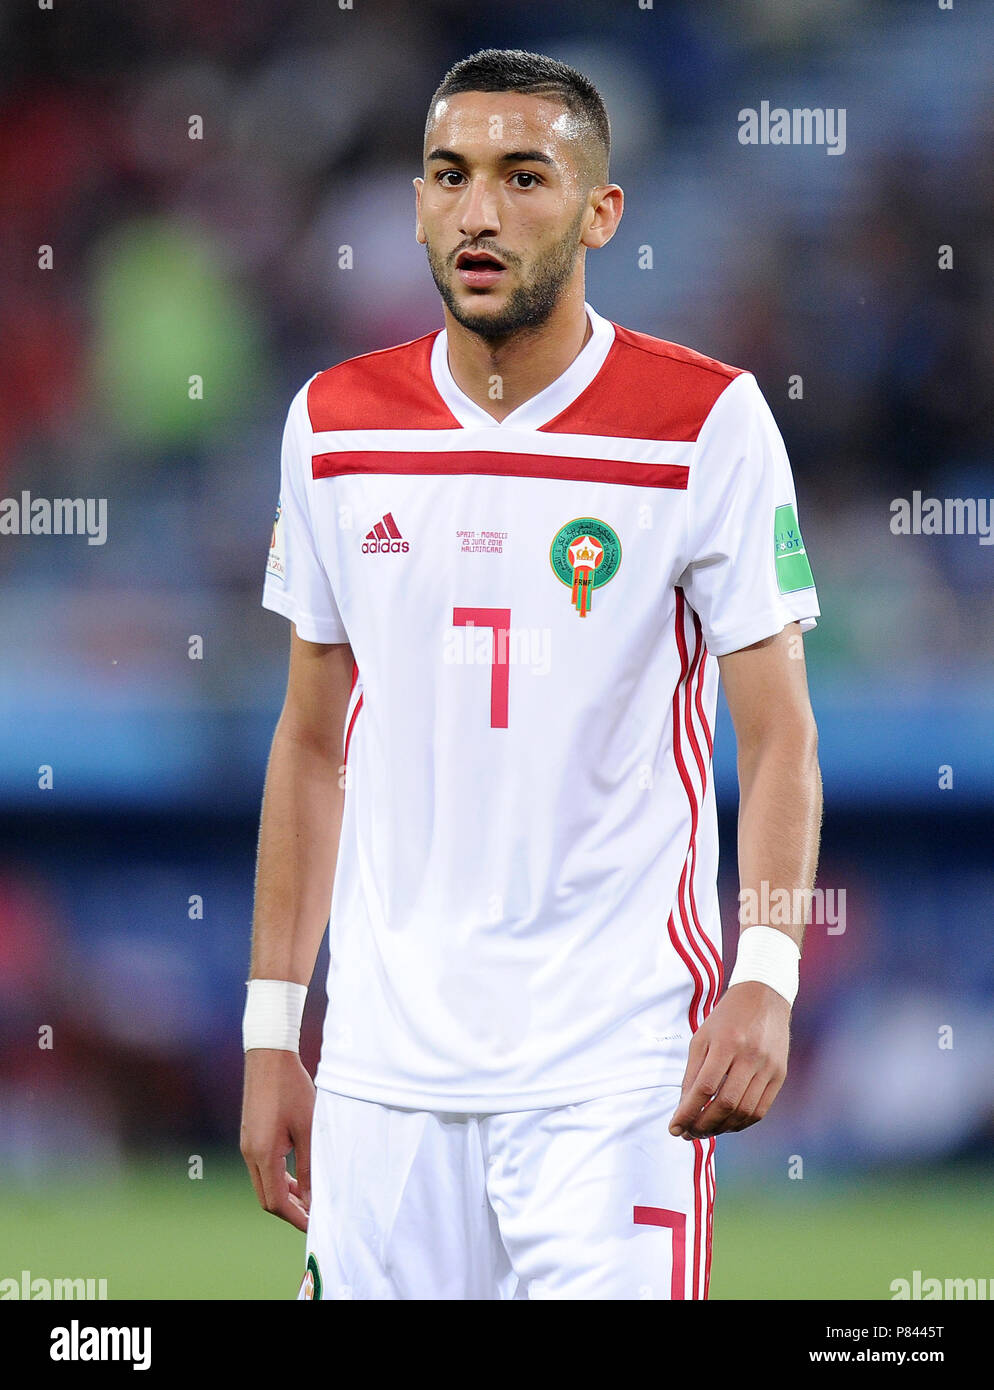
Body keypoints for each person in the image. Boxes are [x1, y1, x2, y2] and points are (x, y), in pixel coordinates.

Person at [240, 47, 822, 1301]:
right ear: (415, 202)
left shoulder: (704, 423)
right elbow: (306, 740)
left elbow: (777, 736)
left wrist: (765, 975)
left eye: (524, 176)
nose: (480, 212)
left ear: (602, 211)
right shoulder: (333, 425)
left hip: (615, 1076)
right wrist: (272, 1032)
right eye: (449, 176)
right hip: (383, 1079)